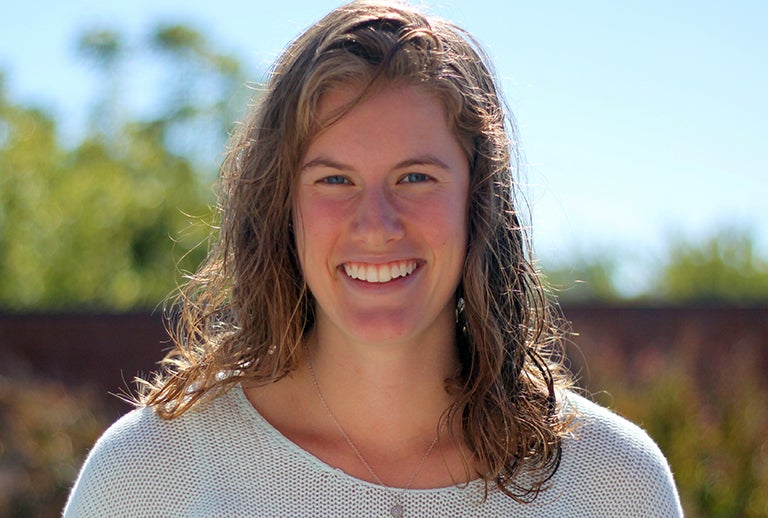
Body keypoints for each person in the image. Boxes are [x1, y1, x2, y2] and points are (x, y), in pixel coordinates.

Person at [64, 1, 683, 516]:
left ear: (480, 201)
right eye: (334, 181)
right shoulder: (148, 476)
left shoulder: (614, 483)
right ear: (282, 206)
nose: (377, 225)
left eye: (415, 177)